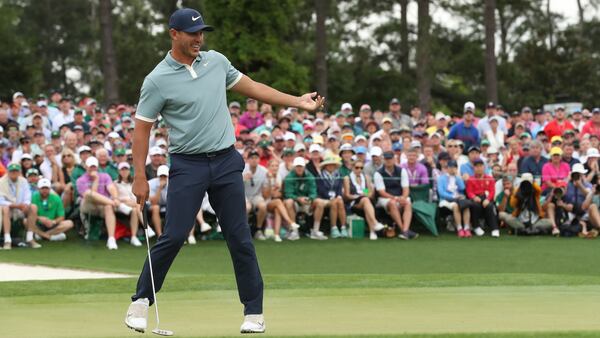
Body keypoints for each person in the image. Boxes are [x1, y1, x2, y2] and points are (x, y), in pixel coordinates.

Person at [126, 8, 325, 334]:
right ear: (174, 34)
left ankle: (254, 312)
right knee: (174, 235)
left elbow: (254, 87)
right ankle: (140, 301)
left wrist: (298, 102)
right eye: (192, 33)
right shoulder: (156, 80)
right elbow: (141, 131)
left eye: (201, 32)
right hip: (187, 165)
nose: (199, 39)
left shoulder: (216, 61)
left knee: (239, 237)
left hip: (224, 161)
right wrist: (138, 176)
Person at [77, 156, 127, 250]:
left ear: (97, 166)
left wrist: (115, 198)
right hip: (89, 206)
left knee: (108, 206)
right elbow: (92, 197)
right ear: (86, 167)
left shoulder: (105, 176)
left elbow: (111, 188)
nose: (93, 169)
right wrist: (96, 180)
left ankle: (111, 239)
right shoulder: (81, 180)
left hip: (103, 206)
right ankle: (118, 205)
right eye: (90, 167)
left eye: (94, 166)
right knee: (89, 193)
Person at [373, 151, 417, 240]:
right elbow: (381, 192)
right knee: (392, 203)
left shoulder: (402, 171)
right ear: (383, 160)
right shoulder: (378, 173)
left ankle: (404, 230)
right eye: (386, 159)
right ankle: (404, 230)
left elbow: (406, 188)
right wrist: (395, 198)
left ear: (394, 159)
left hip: (399, 196)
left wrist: (403, 197)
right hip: (384, 198)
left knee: (407, 203)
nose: (388, 161)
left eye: (390, 158)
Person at [284, 157, 328, 240]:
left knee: (320, 202)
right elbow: (288, 193)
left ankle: (315, 230)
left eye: (301, 166)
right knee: (289, 202)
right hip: (295, 202)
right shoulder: (289, 177)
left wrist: (309, 199)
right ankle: (294, 231)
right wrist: (298, 198)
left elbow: (313, 192)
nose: (299, 168)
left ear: (304, 167)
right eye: (297, 166)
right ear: (294, 167)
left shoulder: (310, 176)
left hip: (308, 202)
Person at [0, 162, 42, 249]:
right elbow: (1, 201)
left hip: (21, 209)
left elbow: (27, 196)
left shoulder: (23, 181)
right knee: (5, 208)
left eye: (16, 171)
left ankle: (30, 238)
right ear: (8, 172)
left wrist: (25, 204)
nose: (14, 173)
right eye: (12, 171)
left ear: (19, 172)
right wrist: (15, 205)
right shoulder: (1, 182)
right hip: (8, 209)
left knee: (33, 207)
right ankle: (7, 240)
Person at [342, 159, 385, 240]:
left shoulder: (366, 178)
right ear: (352, 167)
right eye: (357, 167)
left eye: (361, 168)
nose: (359, 170)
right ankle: (374, 225)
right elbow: (347, 195)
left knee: (366, 201)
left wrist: (365, 194)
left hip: (365, 200)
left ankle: (373, 230)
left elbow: (368, 191)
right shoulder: (347, 178)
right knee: (365, 201)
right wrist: (358, 196)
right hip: (354, 201)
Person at [466, 158, 499, 237]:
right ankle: (476, 226)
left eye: (480, 166)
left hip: (486, 197)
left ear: (484, 167)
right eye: (476, 166)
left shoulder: (489, 178)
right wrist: (474, 197)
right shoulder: (471, 179)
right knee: (475, 206)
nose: (479, 168)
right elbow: (469, 191)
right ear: (474, 168)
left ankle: (494, 228)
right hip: (476, 198)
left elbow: (492, 191)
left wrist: (487, 199)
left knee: (490, 206)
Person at [437, 160, 471, 237]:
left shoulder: (457, 178)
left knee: (466, 205)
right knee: (455, 206)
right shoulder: (441, 178)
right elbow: (441, 192)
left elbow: (462, 188)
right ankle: (459, 228)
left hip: (458, 199)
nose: (452, 169)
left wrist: (458, 178)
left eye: (454, 167)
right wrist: (453, 197)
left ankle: (466, 228)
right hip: (445, 200)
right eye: (450, 167)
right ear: (447, 168)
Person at [316, 155, 347, 238]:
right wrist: (331, 197)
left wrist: (339, 195)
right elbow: (321, 190)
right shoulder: (320, 176)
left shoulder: (339, 175)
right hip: (324, 198)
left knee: (339, 201)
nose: (331, 166)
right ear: (325, 166)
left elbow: (339, 188)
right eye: (329, 164)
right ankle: (334, 228)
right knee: (334, 202)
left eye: (333, 164)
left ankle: (343, 228)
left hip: (337, 198)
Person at [114, 162, 143, 247]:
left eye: (126, 169)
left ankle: (134, 237)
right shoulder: (115, 183)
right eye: (122, 169)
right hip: (122, 206)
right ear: (119, 171)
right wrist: (124, 200)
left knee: (135, 209)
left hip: (134, 205)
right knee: (137, 206)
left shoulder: (134, 182)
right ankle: (146, 226)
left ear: (129, 171)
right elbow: (115, 197)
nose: (124, 171)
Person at [243, 150, 270, 240]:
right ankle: (244, 232)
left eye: (256, 158)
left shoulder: (263, 171)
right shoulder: (242, 168)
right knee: (247, 207)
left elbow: (266, 192)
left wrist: (270, 180)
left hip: (256, 195)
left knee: (263, 206)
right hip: (243, 195)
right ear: (248, 160)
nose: (254, 160)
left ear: (259, 159)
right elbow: (235, 186)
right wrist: (243, 179)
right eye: (252, 158)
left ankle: (258, 230)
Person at [147, 165, 169, 237]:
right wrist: (159, 188)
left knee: (175, 208)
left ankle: (173, 235)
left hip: (167, 205)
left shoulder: (173, 183)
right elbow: (154, 202)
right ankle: (160, 235)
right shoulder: (150, 183)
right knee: (156, 207)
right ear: (158, 175)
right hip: (151, 206)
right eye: (161, 176)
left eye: (165, 176)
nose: (163, 178)